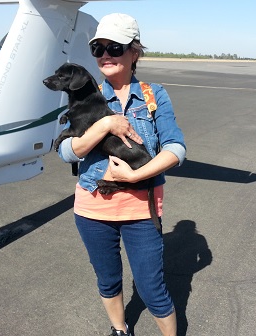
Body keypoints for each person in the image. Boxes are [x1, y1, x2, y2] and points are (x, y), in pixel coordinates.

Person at [58, 13, 186, 336]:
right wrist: (106, 124)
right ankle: (119, 329)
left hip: (140, 210)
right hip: (91, 207)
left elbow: (176, 149)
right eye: (98, 48)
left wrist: (134, 175)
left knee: (151, 288)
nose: (105, 55)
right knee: (108, 279)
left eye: (114, 47)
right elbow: (66, 150)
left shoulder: (153, 96)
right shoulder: (85, 94)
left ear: (134, 52)